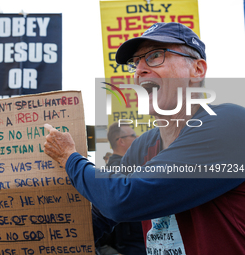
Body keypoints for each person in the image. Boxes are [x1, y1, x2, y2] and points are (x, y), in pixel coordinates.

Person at [44, 22, 245, 255]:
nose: (139, 70)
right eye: (135, 63)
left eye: (155, 55)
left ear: (197, 70)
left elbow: (121, 200)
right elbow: (97, 217)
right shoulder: (144, 145)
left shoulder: (231, 123)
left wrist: (69, 157)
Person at [96, 122, 145, 255]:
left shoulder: (119, 170)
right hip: (131, 246)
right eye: (134, 135)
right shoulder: (120, 172)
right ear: (121, 141)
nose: (138, 138)